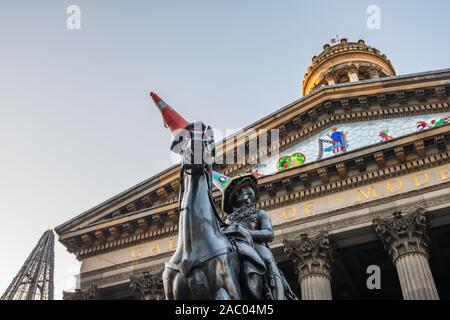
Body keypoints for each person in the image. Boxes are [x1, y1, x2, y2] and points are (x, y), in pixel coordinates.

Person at [218, 174, 298, 300]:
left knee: (267, 258)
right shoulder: (227, 219)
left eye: (251, 194)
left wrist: (247, 233)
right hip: (233, 246)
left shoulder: (260, 214)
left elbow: (269, 234)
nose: (249, 197)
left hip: (254, 245)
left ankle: (276, 294)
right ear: (236, 196)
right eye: (246, 193)